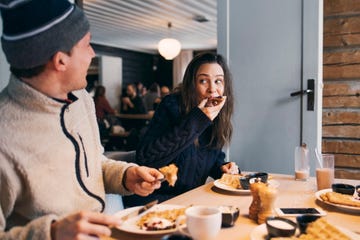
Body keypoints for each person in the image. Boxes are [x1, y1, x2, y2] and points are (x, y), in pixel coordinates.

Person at [0, 1, 163, 239]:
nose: (93, 54)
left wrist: (125, 176)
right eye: (87, 44)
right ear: (61, 61)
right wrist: (52, 233)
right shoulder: (4, 134)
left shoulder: (81, 99)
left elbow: (94, 163)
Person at [123, 52, 239, 207]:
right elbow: (146, 158)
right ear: (192, 84)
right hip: (154, 201)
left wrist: (223, 168)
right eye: (203, 81)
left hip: (191, 200)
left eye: (218, 81)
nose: (212, 89)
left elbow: (210, 156)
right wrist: (197, 120)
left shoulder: (216, 115)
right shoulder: (172, 105)